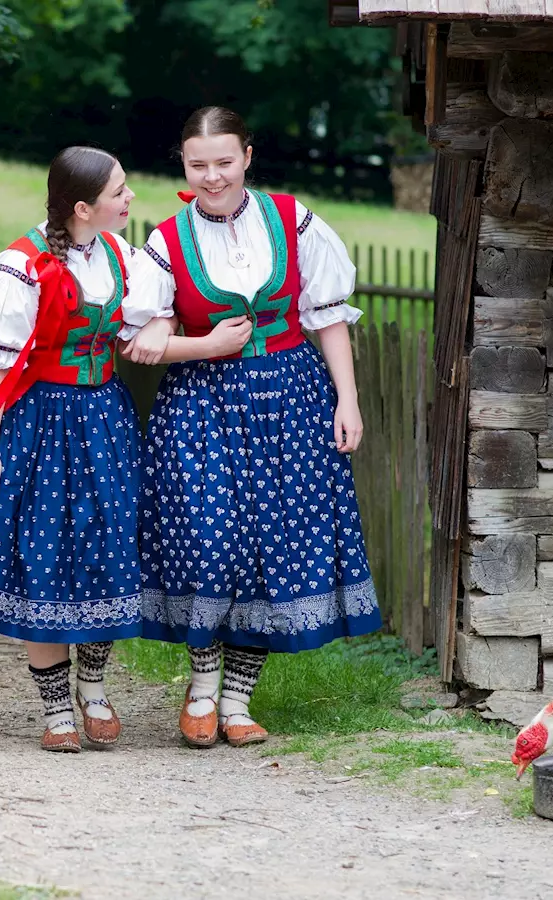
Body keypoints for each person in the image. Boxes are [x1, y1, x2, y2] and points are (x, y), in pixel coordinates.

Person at [123, 106, 381, 749]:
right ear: (183, 164)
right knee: (209, 539)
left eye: (224, 161)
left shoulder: (295, 221)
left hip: (290, 398)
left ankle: (237, 701)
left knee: (272, 546)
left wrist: (345, 401)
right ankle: (202, 687)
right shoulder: (165, 241)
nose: (212, 176)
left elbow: (327, 317)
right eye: (197, 164)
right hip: (201, 405)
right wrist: (193, 339)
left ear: (247, 156)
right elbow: (143, 332)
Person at [0, 146, 169, 753]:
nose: (130, 200)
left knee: (107, 550)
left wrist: (157, 325)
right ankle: (56, 711)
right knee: (42, 561)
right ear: (83, 207)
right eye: (119, 191)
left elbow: (156, 313)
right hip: (37, 422)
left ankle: (93, 686)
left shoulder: (124, 255)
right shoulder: (22, 265)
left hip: (104, 419)